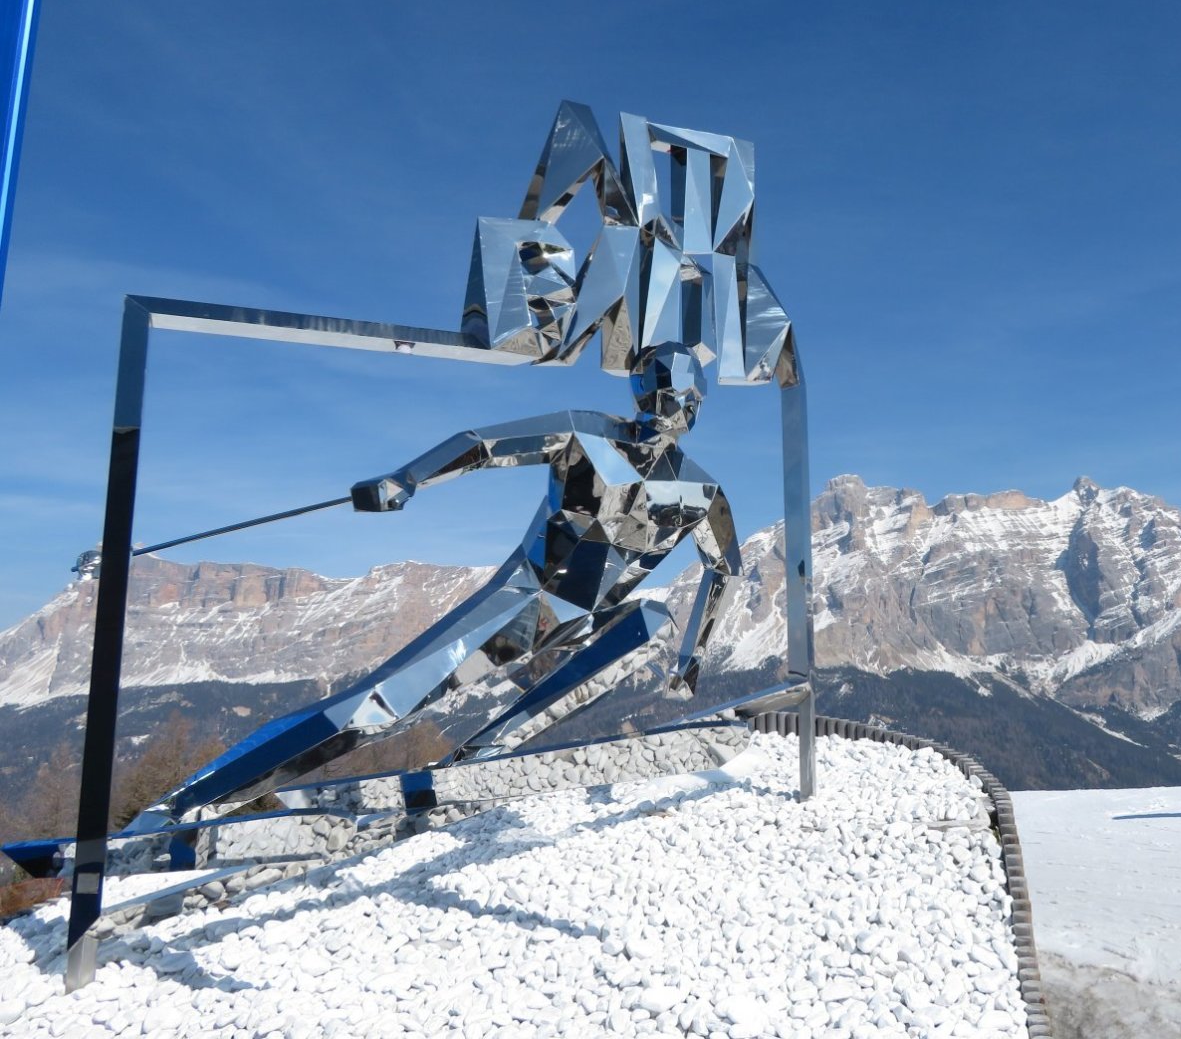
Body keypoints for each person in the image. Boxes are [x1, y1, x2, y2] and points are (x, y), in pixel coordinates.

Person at [128, 342, 737, 831]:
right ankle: (183, 807)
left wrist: (692, 659)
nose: (672, 402)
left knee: (648, 619)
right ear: (639, 388)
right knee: (378, 707)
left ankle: (475, 766)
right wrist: (409, 477)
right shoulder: (589, 435)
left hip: (589, 624)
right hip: (523, 605)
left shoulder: (702, 494)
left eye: (683, 394)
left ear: (698, 406)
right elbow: (483, 444)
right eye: (661, 386)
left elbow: (724, 569)